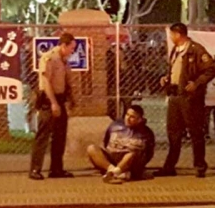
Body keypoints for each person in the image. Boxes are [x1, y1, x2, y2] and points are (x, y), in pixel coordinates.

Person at [155, 23, 215, 178]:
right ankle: (170, 166)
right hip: (175, 96)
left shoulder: (196, 50)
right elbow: (174, 70)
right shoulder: (175, 51)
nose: (170, 37)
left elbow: (211, 69)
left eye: (172, 34)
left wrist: (196, 83)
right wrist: (167, 79)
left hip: (190, 98)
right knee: (174, 133)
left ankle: (200, 165)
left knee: (195, 132)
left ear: (178, 34)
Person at [29, 32, 77, 180]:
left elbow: (66, 81)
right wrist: (53, 103)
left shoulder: (64, 60)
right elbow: (46, 82)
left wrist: (71, 99)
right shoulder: (49, 58)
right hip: (49, 101)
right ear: (64, 45)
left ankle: (56, 169)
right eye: (71, 48)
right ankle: (35, 169)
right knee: (43, 136)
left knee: (60, 136)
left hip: (60, 100)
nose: (72, 51)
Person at [87, 105, 155, 184]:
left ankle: (115, 173)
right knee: (91, 148)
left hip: (131, 163)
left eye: (132, 117)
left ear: (139, 120)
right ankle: (114, 171)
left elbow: (149, 153)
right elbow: (106, 142)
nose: (128, 119)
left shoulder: (147, 133)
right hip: (111, 160)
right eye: (127, 115)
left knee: (131, 154)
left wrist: (139, 166)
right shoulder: (114, 126)